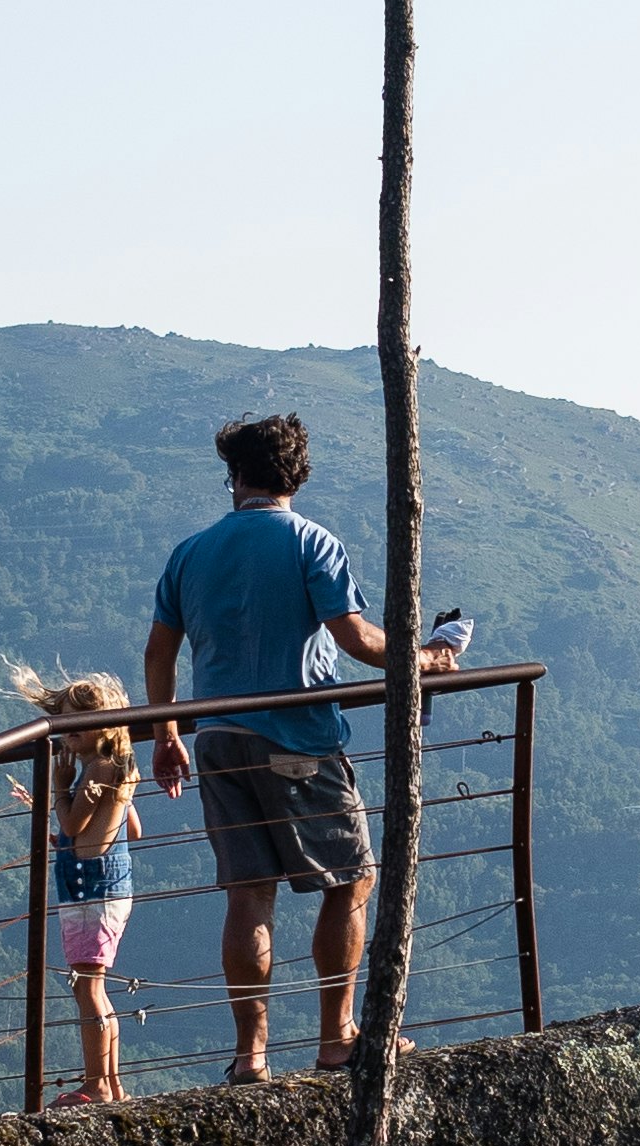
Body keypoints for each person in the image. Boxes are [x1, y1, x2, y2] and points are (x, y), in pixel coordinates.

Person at [143, 413, 457, 1082]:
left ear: (235, 476)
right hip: (296, 737)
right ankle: (336, 1037)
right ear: (297, 475)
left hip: (217, 738)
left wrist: (168, 734)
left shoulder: (189, 551)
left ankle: (249, 1055)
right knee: (351, 878)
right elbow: (356, 640)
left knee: (248, 893)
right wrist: (427, 656)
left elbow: (158, 651)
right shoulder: (313, 542)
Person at [12, 665, 139, 1106]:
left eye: (73, 724)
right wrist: (73, 836)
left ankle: (97, 1084)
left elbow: (72, 820)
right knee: (95, 987)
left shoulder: (97, 770)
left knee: (87, 988)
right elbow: (129, 828)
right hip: (106, 884)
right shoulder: (121, 767)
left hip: (90, 888)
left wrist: (60, 788)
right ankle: (112, 1082)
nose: (66, 733)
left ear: (99, 726)